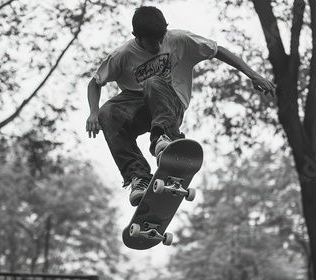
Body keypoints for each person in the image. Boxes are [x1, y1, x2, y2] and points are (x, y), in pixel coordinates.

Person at [86, 6, 275, 206]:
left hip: (170, 105)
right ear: (137, 37)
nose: (158, 46)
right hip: (139, 109)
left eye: (161, 40)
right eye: (152, 43)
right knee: (107, 113)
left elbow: (219, 51)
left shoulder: (179, 39)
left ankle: (166, 137)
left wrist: (253, 74)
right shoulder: (122, 55)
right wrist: (93, 112)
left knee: (153, 82)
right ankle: (138, 176)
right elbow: (95, 83)